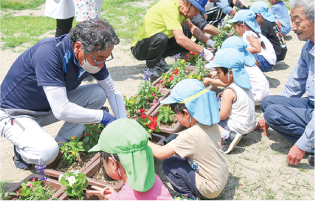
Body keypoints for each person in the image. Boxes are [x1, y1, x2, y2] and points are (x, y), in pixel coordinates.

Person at [0, 19, 127, 170]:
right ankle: (24, 152)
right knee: (46, 152)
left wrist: (123, 125)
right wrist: (104, 117)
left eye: (106, 58)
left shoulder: (90, 54)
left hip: (47, 106)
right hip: (15, 113)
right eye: (99, 58)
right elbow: (62, 110)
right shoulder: (49, 53)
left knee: (98, 93)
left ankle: (62, 145)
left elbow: (111, 90)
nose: (101, 64)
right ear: (78, 47)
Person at [254, 0, 315, 167]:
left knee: (273, 114)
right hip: (311, 104)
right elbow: (295, 83)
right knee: (268, 103)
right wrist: (282, 108)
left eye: (297, 21)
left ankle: (312, 145)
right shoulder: (309, 46)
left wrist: (302, 145)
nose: (293, 27)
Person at [148, 79, 228, 200]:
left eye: (176, 114)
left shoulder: (191, 135)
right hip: (221, 177)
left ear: (186, 113)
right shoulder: (211, 123)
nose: (175, 117)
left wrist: (144, 139)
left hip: (209, 188)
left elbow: (160, 153)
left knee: (169, 163)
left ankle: (190, 197)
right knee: (179, 156)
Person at [88, 119, 173, 201]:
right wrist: (116, 196)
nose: (104, 165)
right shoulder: (153, 178)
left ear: (113, 163)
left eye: (103, 162)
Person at [131, 0, 215, 81]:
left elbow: (192, 27)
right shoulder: (170, 8)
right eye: (196, 10)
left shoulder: (181, 8)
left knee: (186, 34)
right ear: (187, 4)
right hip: (139, 48)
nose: (196, 14)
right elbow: (180, 39)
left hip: (153, 43)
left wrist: (209, 42)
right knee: (163, 38)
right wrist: (204, 52)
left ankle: (158, 60)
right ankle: (150, 68)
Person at [205, 48, 256, 154]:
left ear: (231, 73)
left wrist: (207, 114)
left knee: (205, 120)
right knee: (219, 102)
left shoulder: (229, 91)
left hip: (238, 127)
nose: (217, 76)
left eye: (219, 72)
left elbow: (222, 116)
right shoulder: (243, 83)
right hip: (249, 125)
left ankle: (227, 136)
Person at [203, 36, 270, 104]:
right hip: (264, 94)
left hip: (255, 96)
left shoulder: (238, 67)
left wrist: (209, 80)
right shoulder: (246, 62)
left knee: (225, 97)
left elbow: (226, 82)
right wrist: (217, 72)